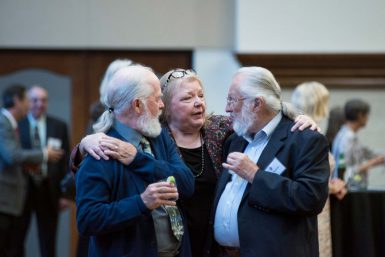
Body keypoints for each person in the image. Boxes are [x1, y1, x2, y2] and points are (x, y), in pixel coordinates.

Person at [73, 67, 317, 257]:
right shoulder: (153, 133)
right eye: (188, 98)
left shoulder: (220, 130)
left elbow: (259, 110)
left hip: (207, 246)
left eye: (201, 95)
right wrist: (85, 143)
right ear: (165, 106)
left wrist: (295, 115)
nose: (199, 102)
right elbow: (88, 214)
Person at [75, 64, 194, 257]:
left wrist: (138, 160)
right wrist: (142, 202)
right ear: (138, 105)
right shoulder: (101, 151)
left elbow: (187, 184)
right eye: (157, 99)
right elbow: (88, 220)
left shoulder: (159, 137)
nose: (162, 105)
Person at [210, 67, 330, 257]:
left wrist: (255, 175)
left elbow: (310, 199)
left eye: (232, 99)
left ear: (257, 103)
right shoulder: (235, 140)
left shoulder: (304, 140)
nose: (227, 108)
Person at [0, 85, 62, 257]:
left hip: (46, 192)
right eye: (29, 100)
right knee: (12, 244)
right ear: (16, 101)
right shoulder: (7, 123)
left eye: (43, 100)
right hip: (12, 195)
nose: (32, 105)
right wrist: (44, 154)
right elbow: (12, 155)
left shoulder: (58, 125)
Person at [292, 81, 347, 257]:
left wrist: (331, 184)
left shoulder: (306, 130)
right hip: (313, 206)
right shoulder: (309, 133)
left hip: (321, 205)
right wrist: (332, 187)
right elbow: (302, 177)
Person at [15, 85, 68, 257]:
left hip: (49, 190)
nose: (40, 104)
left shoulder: (59, 125)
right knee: (17, 240)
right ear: (27, 102)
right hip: (22, 190)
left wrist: (65, 194)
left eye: (44, 100)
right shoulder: (17, 126)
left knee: (48, 242)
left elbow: (65, 162)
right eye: (35, 100)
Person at [332, 99, 385, 190]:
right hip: (347, 191)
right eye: (367, 115)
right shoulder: (347, 139)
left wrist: (378, 159)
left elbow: (369, 153)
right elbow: (346, 171)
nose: (368, 118)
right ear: (360, 115)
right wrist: (374, 162)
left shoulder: (350, 136)